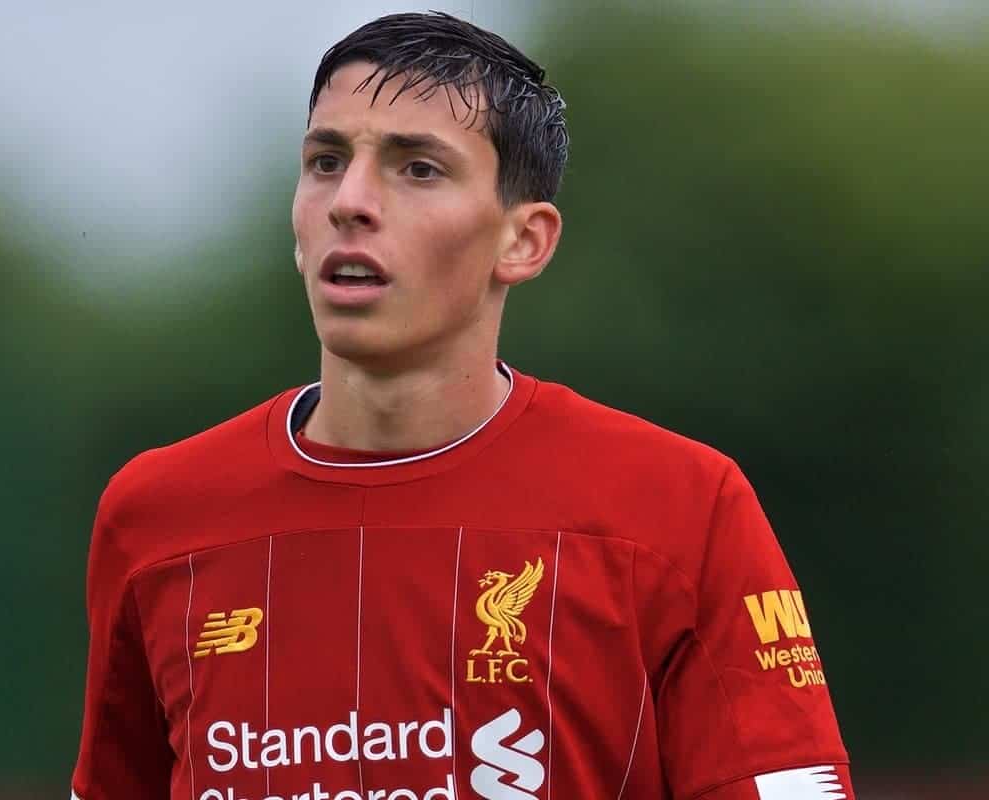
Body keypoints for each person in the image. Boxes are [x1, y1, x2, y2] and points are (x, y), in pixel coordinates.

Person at [71, 11, 853, 800]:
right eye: (326, 160)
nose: (351, 201)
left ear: (523, 241)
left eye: (417, 169)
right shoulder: (156, 516)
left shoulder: (680, 506)